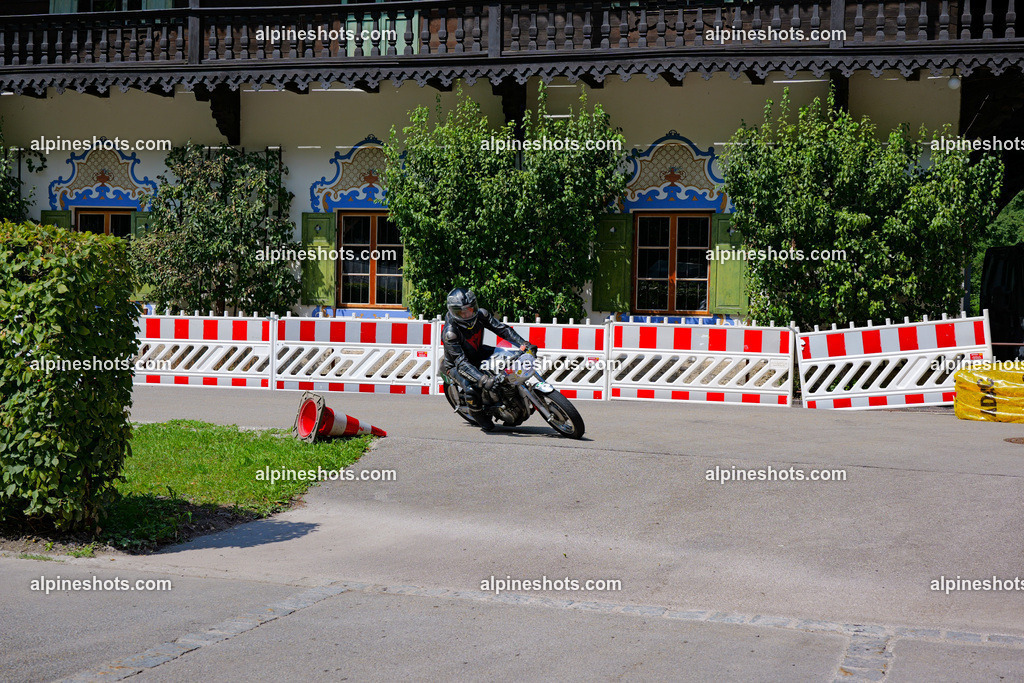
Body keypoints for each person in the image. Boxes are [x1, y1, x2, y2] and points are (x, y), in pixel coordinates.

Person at [442, 287, 538, 431]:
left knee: (511, 357)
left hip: (478, 352)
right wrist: (483, 380)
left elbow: (502, 329)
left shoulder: (481, 314)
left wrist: (524, 343)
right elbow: (461, 362)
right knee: (471, 387)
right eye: (461, 312)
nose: (467, 314)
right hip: (456, 364)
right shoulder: (450, 333)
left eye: (470, 309)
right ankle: (480, 417)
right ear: (453, 311)